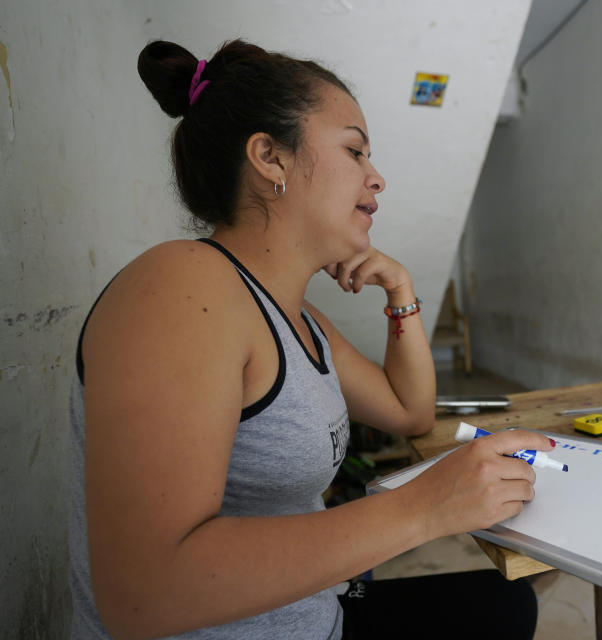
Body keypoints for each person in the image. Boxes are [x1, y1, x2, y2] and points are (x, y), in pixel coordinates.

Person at [67, 39, 549, 639]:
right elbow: (142, 593)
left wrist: (401, 291)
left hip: (319, 615)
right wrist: (424, 508)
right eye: (355, 150)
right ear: (270, 158)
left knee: (512, 601)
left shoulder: (301, 320)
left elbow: (410, 410)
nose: (377, 177)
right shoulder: (180, 288)